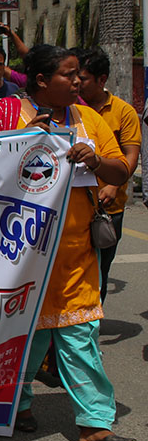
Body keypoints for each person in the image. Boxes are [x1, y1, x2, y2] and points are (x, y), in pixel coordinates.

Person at [0, 44, 135, 441]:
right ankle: (17, 403)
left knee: (80, 332)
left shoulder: (91, 120)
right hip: (19, 254)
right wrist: (23, 142)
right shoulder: (7, 117)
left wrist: (97, 161)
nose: (78, 81)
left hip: (77, 251)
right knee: (27, 335)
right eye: (69, 74)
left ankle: (95, 424)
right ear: (42, 81)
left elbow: (122, 169)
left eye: (79, 74)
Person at [75, 47, 142, 299]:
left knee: (100, 272)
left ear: (101, 80)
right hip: (73, 208)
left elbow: (130, 157)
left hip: (107, 210)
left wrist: (114, 185)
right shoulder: (69, 111)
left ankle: (91, 326)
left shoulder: (123, 112)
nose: (75, 84)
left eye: (81, 79)